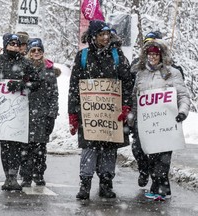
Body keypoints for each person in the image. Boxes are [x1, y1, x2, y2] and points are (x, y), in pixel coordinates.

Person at [68, 20, 134, 200]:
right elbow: (74, 86)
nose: (105, 38)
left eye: (107, 34)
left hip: (112, 113)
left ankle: (106, 183)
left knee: (109, 149)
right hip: (89, 113)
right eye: (101, 34)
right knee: (90, 148)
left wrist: (126, 105)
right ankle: (85, 184)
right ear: (93, 36)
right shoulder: (83, 56)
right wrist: (73, 113)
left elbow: (127, 83)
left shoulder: (117, 55)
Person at [130, 39, 190, 201]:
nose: (153, 57)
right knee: (141, 151)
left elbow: (183, 96)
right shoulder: (141, 73)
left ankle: (160, 189)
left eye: (156, 54)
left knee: (162, 157)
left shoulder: (172, 73)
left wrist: (183, 112)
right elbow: (135, 99)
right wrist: (131, 119)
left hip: (166, 122)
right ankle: (162, 187)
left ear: (162, 56)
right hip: (146, 123)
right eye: (150, 54)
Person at [0, 33, 40, 191]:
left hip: (18, 109)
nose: (15, 46)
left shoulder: (25, 62)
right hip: (0, 108)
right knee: (4, 145)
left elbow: (37, 82)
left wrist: (22, 86)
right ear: (5, 44)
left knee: (15, 145)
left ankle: (13, 176)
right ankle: (7, 177)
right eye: (12, 43)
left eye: (17, 44)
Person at [19, 38, 60, 187]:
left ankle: (39, 173)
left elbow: (54, 94)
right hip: (25, 113)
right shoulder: (22, 68)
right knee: (25, 147)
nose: (36, 53)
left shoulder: (49, 71)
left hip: (42, 114)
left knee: (40, 148)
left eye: (39, 50)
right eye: (33, 50)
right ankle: (26, 175)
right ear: (29, 52)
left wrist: (52, 113)